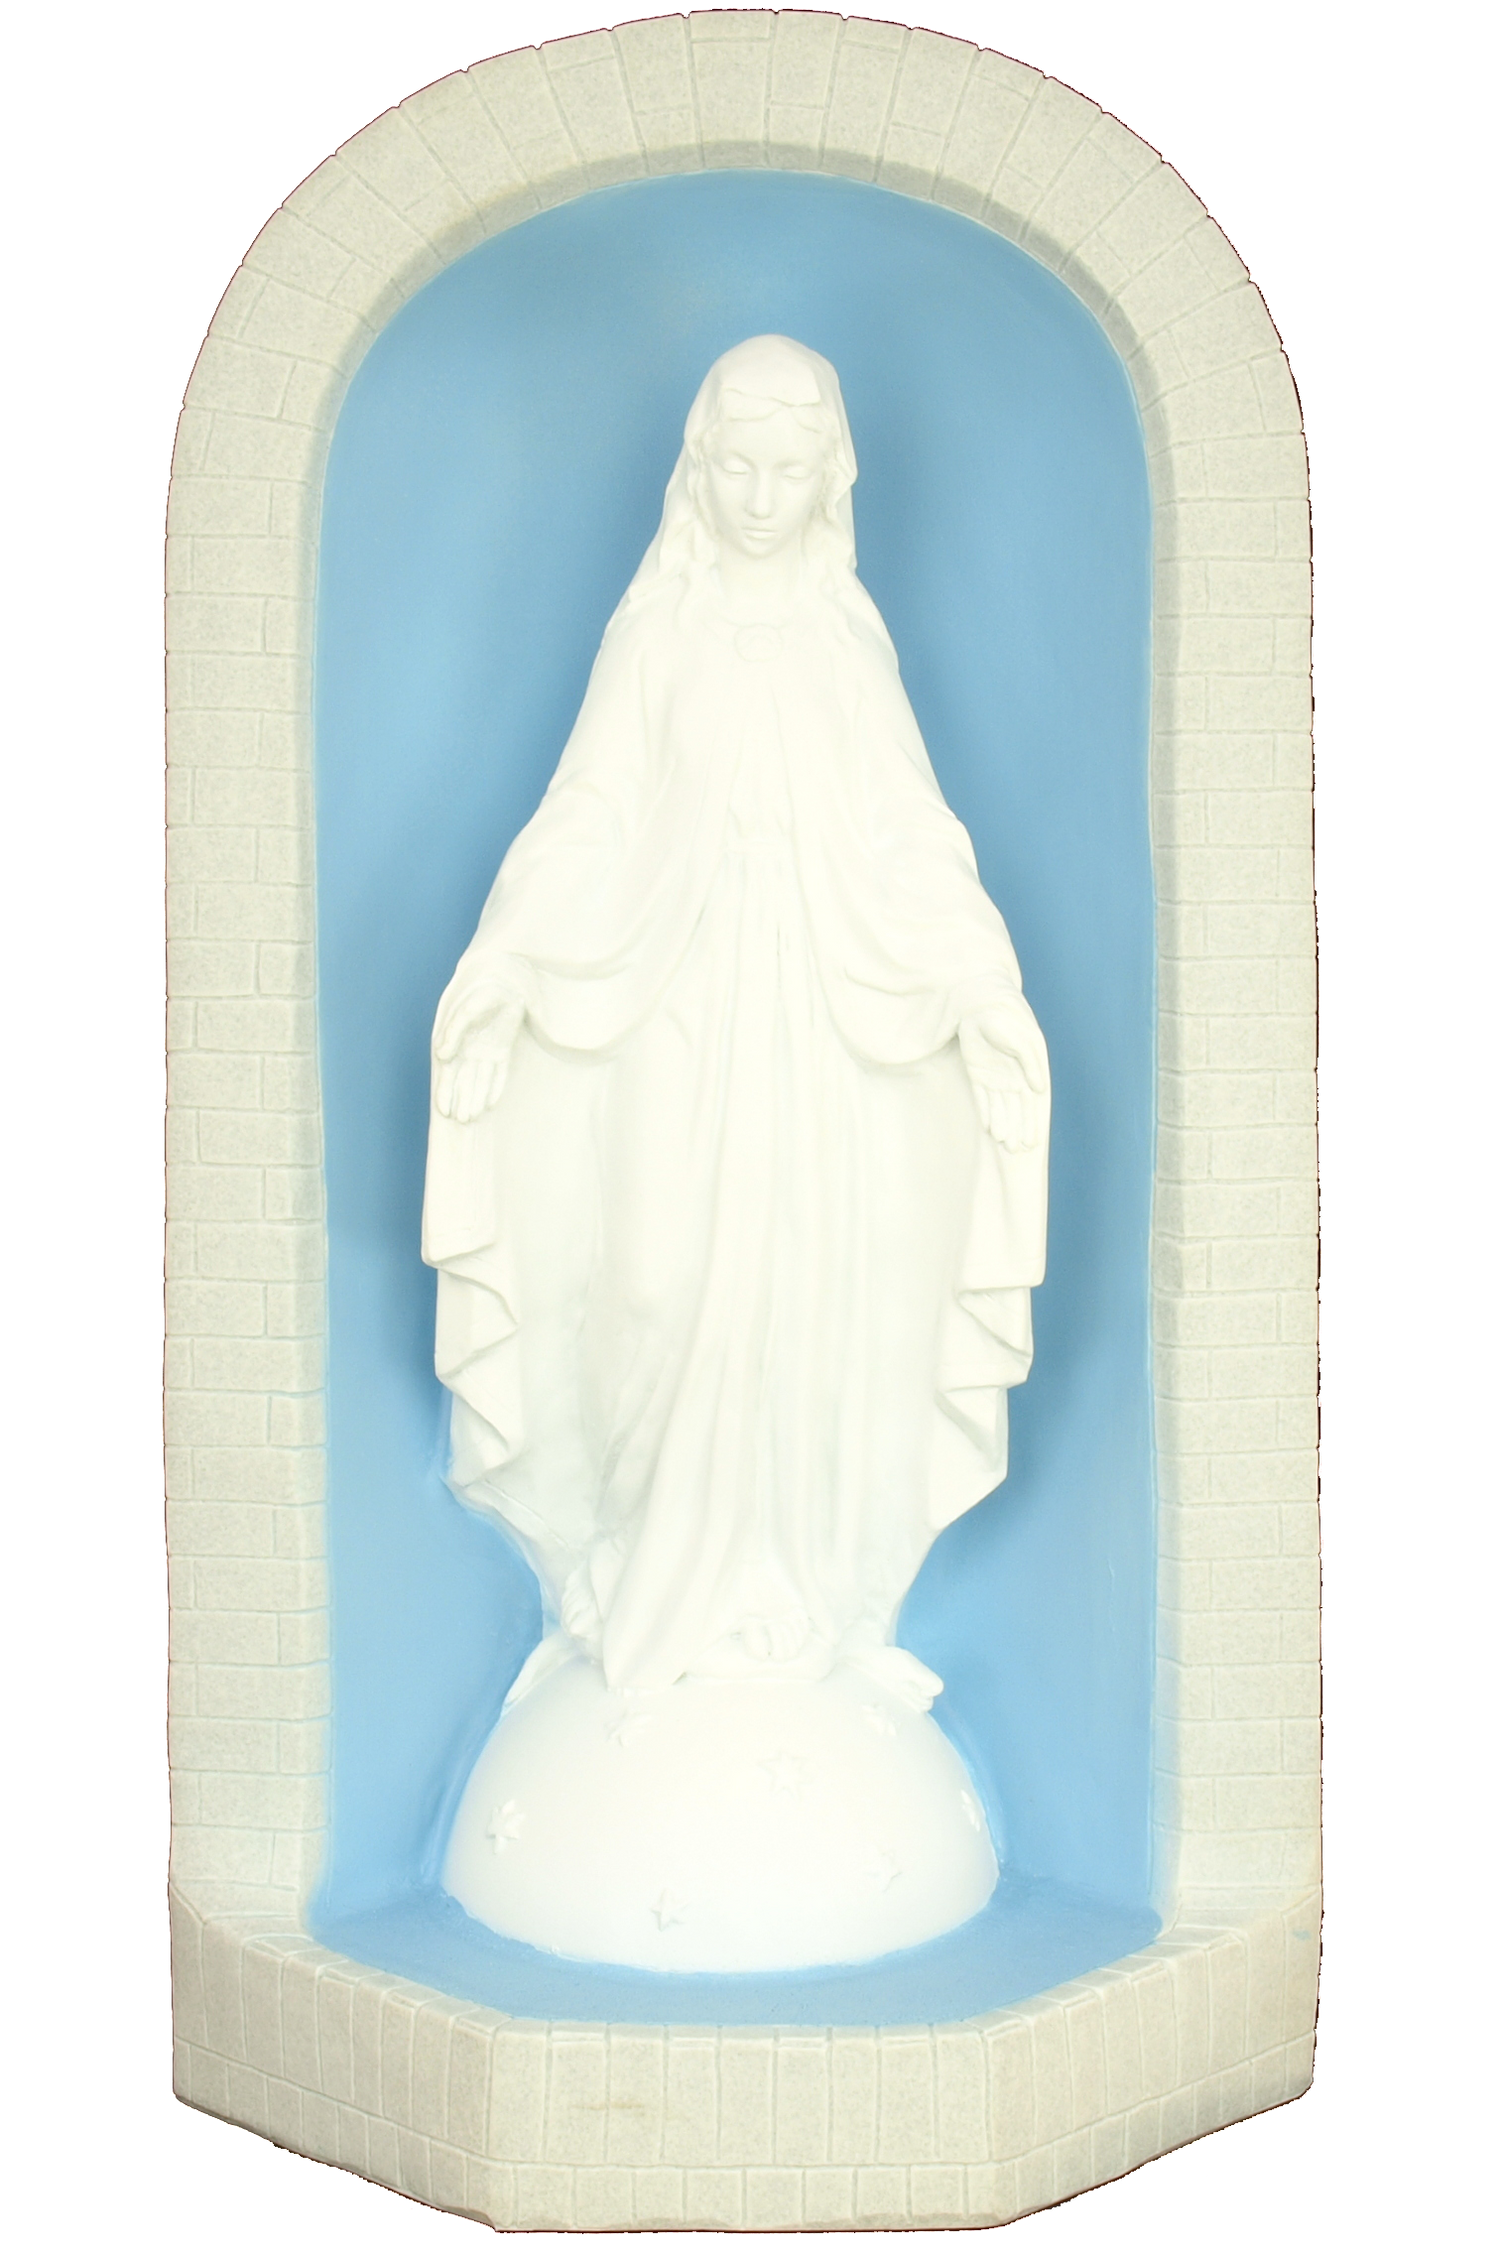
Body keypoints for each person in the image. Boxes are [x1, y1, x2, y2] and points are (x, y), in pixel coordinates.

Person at [423, 336, 1048, 1710]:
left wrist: (979, 990)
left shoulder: (844, 642)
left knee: (804, 1294)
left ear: (829, 478)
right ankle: (640, 1567)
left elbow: (907, 834)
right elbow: (591, 813)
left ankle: (788, 1591)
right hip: (671, 1004)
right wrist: (508, 966)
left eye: (788, 472)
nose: (762, 500)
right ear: (697, 470)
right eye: (739, 469)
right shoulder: (658, 635)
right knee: (649, 1277)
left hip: (815, 1027)